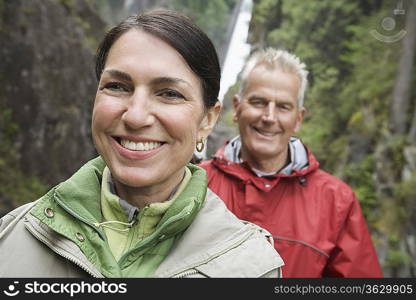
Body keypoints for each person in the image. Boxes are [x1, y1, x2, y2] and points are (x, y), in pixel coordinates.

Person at [0, 11, 284, 278]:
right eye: (118, 86)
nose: (135, 116)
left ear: (207, 120)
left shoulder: (254, 269)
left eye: (169, 94)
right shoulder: (12, 235)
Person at [200, 48, 383, 277]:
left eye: (283, 107)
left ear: (298, 119)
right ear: (237, 108)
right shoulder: (195, 184)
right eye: (258, 102)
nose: (269, 117)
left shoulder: (337, 203)